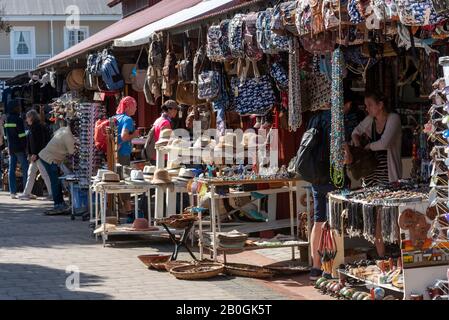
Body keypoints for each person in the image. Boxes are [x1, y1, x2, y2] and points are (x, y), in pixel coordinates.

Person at [350, 90, 402, 257]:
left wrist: (367, 147)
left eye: (370, 105)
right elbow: (355, 132)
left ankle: (399, 253)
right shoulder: (370, 120)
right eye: (366, 106)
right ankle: (382, 256)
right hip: (371, 173)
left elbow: (385, 142)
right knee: (376, 215)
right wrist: (358, 142)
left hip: (388, 173)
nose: (368, 109)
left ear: (380, 105)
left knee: (390, 214)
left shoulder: (393, 119)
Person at [308, 109, 334, 281]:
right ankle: (329, 266)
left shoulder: (314, 119)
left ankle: (316, 267)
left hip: (315, 175)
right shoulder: (335, 119)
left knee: (318, 221)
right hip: (330, 174)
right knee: (332, 223)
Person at [38, 121, 75, 214]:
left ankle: (60, 203)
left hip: (46, 156)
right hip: (50, 159)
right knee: (55, 182)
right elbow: (72, 152)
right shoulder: (69, 137)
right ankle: (58, 204)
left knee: (56, 181)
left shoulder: (63, 129)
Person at [113, 96, 140, 217]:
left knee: (115, 181)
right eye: (134, 105)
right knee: (125, 181)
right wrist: (134, 134)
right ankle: (129, 211)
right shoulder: (128, 119)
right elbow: (124, 137)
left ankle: (118, 209)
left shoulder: (115, 118)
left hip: (113, 155)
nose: (136, 108)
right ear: (128, 106)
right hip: (123, 154)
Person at [18, 109, 52, 200]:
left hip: (38, 156)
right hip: (35, 156)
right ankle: (27, 193)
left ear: (31, 117)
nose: (26, 120)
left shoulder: (38, 127)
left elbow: (41, 142)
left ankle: (51, 194)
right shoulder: (34, 127)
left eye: (27, 118)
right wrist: (30, 154)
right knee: (32, 174)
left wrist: (35, 154)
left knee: (44, 174)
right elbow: (31, 143)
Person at [4, 99, 29, 199]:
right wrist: (26, 148)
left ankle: (12, 192)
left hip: (11, 148)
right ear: (15, 108)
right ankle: (26, 191)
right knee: (25, 168)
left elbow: (6, 136)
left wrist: (8, 146)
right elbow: (22, 135)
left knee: (11, 169)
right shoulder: (18, 120)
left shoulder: (7, 119)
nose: (20, 108)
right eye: (18, 107)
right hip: (19, 148)